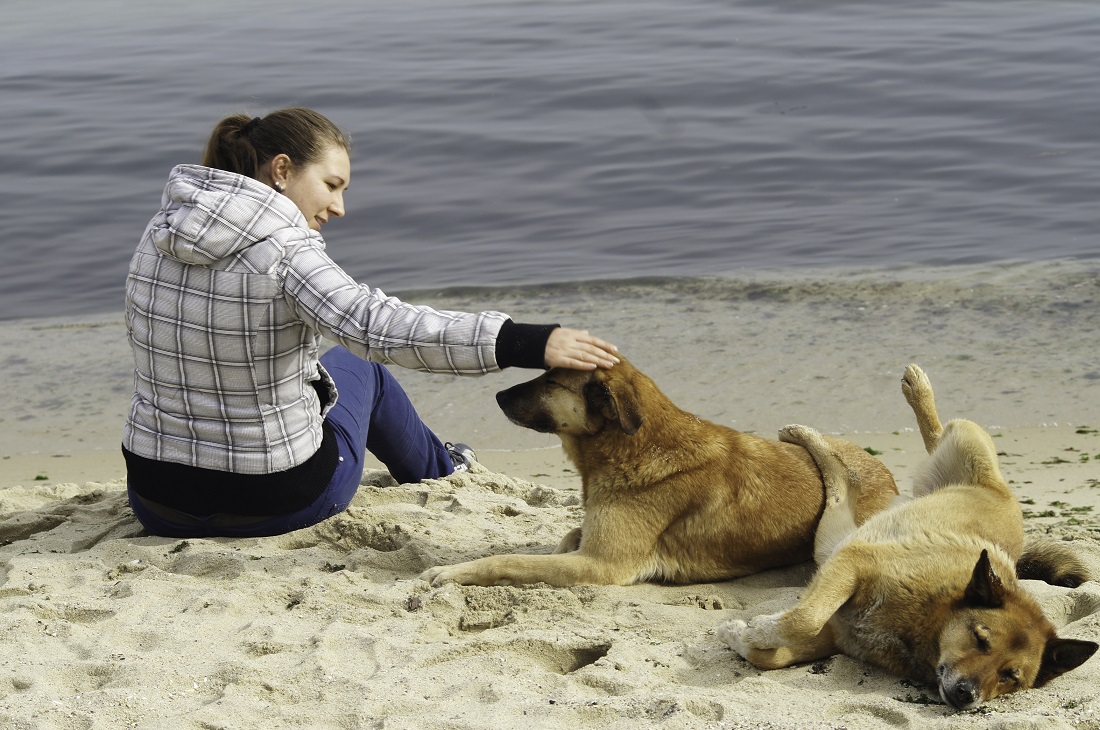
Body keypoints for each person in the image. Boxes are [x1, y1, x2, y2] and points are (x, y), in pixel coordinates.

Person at [122, 107, 619, 539]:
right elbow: (379, 327)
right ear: (282, 170)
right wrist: (527, 342)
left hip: (158, 501)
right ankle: (441, 469)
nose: (339, 207)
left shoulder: (160, 233)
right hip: (271, 502)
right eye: (332, 186)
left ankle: (438, 462)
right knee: (368, 371)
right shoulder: (286, 252)